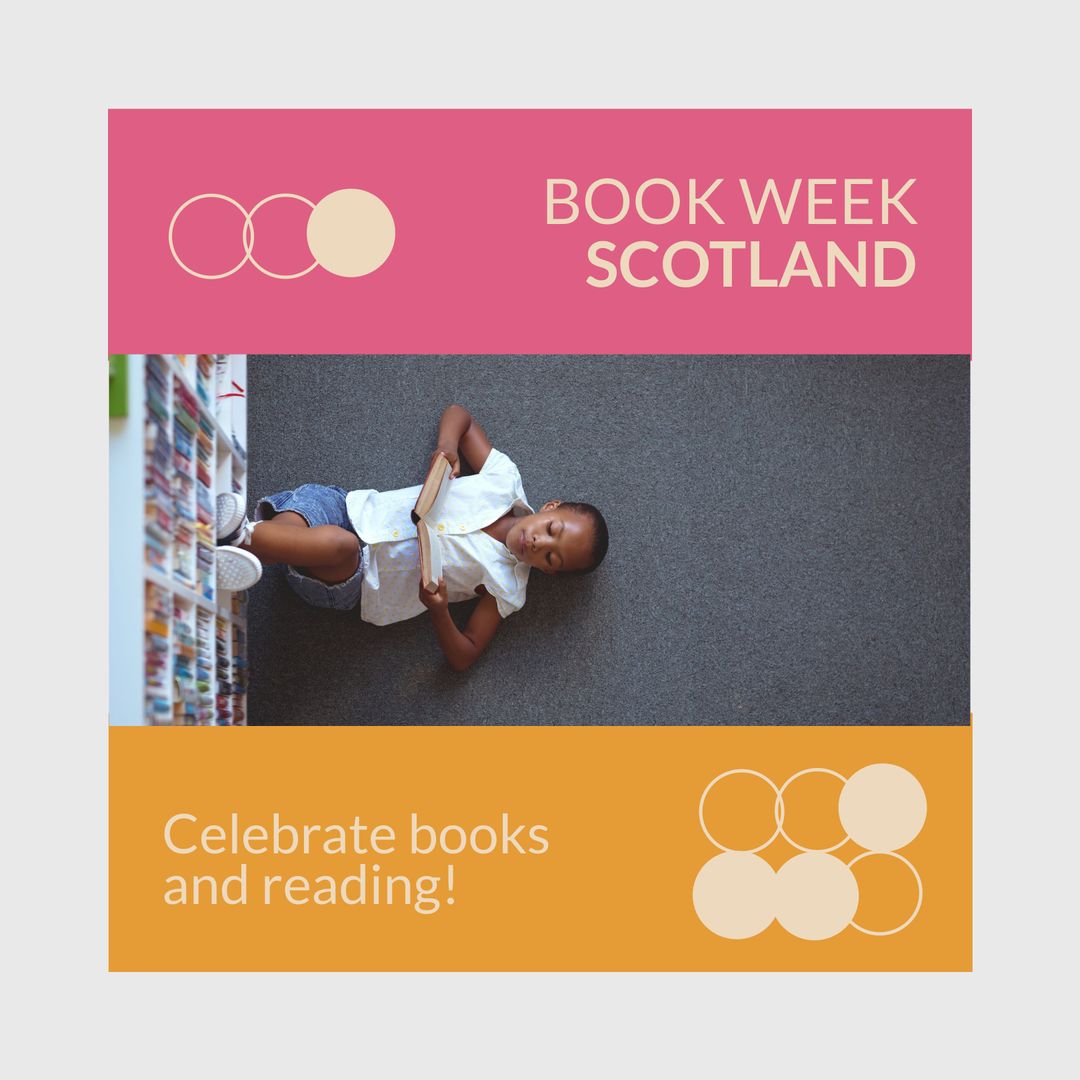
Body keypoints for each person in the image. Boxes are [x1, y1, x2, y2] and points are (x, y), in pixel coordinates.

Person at [214, 404, 609, 670]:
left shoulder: (508, 589)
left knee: (341, 545)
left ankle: (243, 536)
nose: (541, 544)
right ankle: (250, 544)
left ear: (550, 573)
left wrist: (438, 610)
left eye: (552, 558)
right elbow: (460, 414)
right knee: (314, 526)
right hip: (347, 507)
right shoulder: (504, 480)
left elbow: (465, 655)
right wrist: (447, 447)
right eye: (552, 531)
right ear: (550, 508)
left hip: (359, 581)